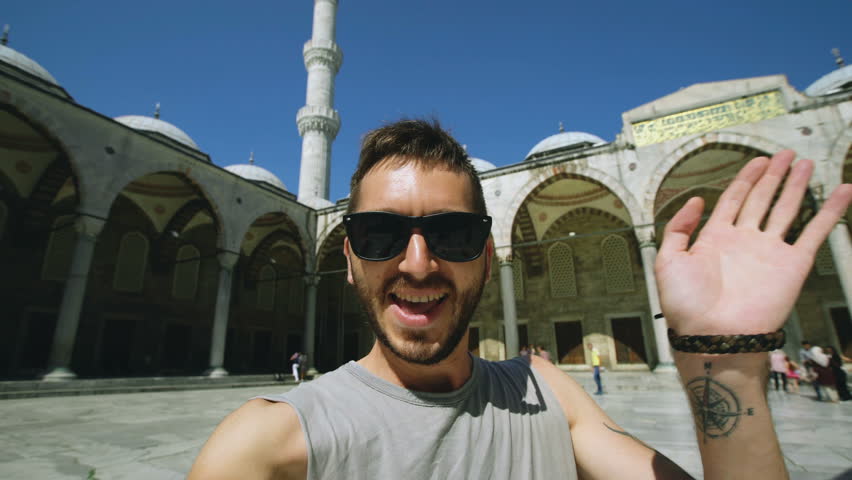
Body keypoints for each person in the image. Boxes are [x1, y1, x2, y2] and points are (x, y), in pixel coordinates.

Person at [189, 119, 851, 479]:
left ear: (488, 251)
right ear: (349, 255)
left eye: (451, 233)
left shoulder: (546, 394)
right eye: (381, 233)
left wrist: (721, 360)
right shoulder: (265, 444)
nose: (418, 264)